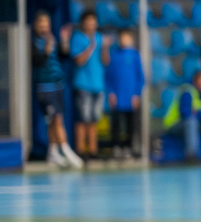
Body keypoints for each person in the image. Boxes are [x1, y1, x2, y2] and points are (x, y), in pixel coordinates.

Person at [32, 11, 82, 168]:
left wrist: (65, 41)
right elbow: (37, 61)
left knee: (53, 121)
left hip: (57, 86)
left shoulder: (52, 39)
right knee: (57, 119)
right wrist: (46, 49)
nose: (44, 27)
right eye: (41, 24)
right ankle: (66, 150)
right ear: (36, 25)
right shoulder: (34, 43)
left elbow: (63, 56)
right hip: (44, 88)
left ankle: (52, 152)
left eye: (46, 24)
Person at [69, 10, 107, 160]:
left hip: (98, 85)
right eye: (88, 21)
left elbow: (105, 61)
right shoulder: (77, 38)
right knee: (82, 119)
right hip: (83, 84)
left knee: (94, 120)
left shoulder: (100, 38)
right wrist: (91, 47)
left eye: (93, 21)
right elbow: (78, 61)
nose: (91, 24)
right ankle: (80, 150)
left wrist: (105, 47)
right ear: (83, 23)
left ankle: (92, 151)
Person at [105, 27, 144, 161]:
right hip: (117, 97)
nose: (124, 40)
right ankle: (116, 147)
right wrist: (111, 93)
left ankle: (128, 147)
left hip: (130, 97)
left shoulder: (134, 55)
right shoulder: (114, 55)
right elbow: (108, 76)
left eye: (126, 37)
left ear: (131, 39)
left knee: (130, 124)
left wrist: (136, 94)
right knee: (115, 123)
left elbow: (140, 77)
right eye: (122, 37)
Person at [161, 70, 201, 162]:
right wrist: (200, 113)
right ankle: (191, 155)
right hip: (174, 124)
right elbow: (186, 113)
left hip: (197, 121)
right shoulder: (187, 92)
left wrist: (197, 112)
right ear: (195, 82)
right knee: (191, 121)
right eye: (200, 82)